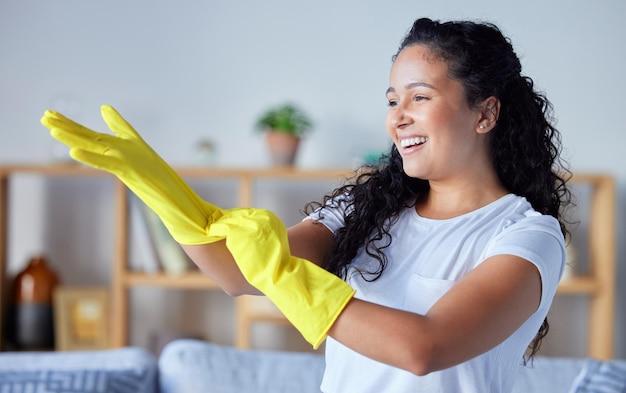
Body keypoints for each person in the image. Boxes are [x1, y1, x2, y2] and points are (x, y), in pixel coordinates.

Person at [41, 17, 571, 393]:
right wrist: (155, 183)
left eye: (419, 97)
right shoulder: (368, 210)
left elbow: (424, 349)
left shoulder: (525, 237)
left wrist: (288, 278)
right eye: (392, 100)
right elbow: (237, 275)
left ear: (485, 113)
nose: (398, 117)